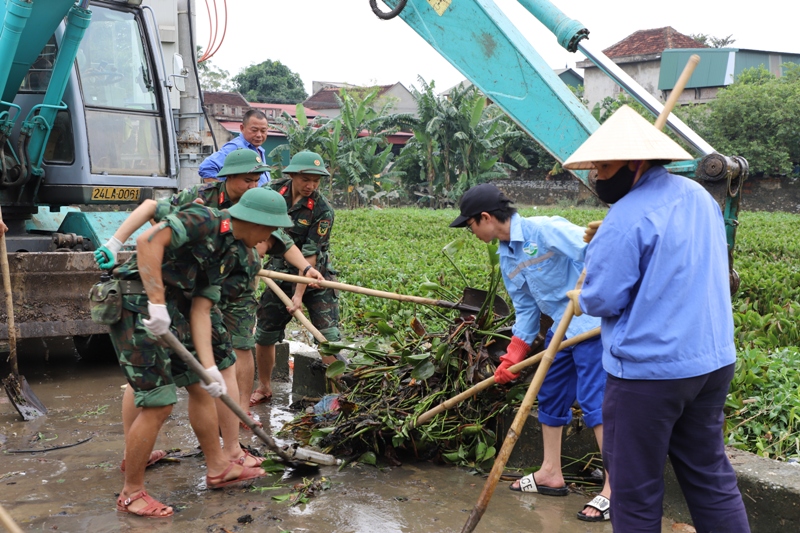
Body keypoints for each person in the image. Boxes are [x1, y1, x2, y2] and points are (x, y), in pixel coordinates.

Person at [562, 105, 750, 532]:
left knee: (634, 488)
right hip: (710, 362)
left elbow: (604, 298)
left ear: (636, 163)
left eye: (604, 167)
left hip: (649, 377)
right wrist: (608, 239)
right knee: (710, 476)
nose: (597, 177)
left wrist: (583, 287)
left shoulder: (625, 219)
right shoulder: (699, 196)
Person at [94, 187, 291, 517]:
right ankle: (131, 492)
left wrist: (210, 367)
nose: (269, 238)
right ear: (254, 221)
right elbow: (148, 243)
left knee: (200, 386)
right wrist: (156, 304)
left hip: (175, 310)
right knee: (159, 401)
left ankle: (218, 467)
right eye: (269, 230)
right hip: (133, 300)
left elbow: (201, 307)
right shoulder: (204, 219)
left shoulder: (236, 254)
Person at [450, 183, 611, 521]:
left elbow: (599, 252)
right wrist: (513, 356)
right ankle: (551, 472)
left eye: (470, 225)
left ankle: (615, 488)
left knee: (595, 400)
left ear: (485, 218)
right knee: (550, 395)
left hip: (591, 326)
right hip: (560, 334)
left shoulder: (545, 229)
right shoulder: (508, 255)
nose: (471, 231)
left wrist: (594, 288)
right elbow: (526, 311)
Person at [162, 148, 325, 428]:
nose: (252, 185)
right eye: (247, 180)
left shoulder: (258, 203)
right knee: (180, 354)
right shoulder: (202, 199)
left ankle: (240, 410)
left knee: (241, 344)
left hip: (238, 282)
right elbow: (159, 221)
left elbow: (283, 241)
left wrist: (307, 269)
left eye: (256, 179)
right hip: (193, 282)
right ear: (228, 177)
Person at [250, 151, 340, 406]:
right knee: (265, 334)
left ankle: (337, 395)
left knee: (328, 337)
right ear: (292, 175)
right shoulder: (271, 192)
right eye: (305, 179)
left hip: (314, 277)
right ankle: (265, 387)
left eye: (316, 180)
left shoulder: (323, 211)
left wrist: (297, 296)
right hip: (277, 273)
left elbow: (309, 259)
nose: (310, 185)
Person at [198, 109, 271, 186]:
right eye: (254, 130)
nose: (259, 135)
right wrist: (223, 192)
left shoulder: (259, 149)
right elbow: (206, 167)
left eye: (263, 131)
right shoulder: (236, 147)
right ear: (242, 128)